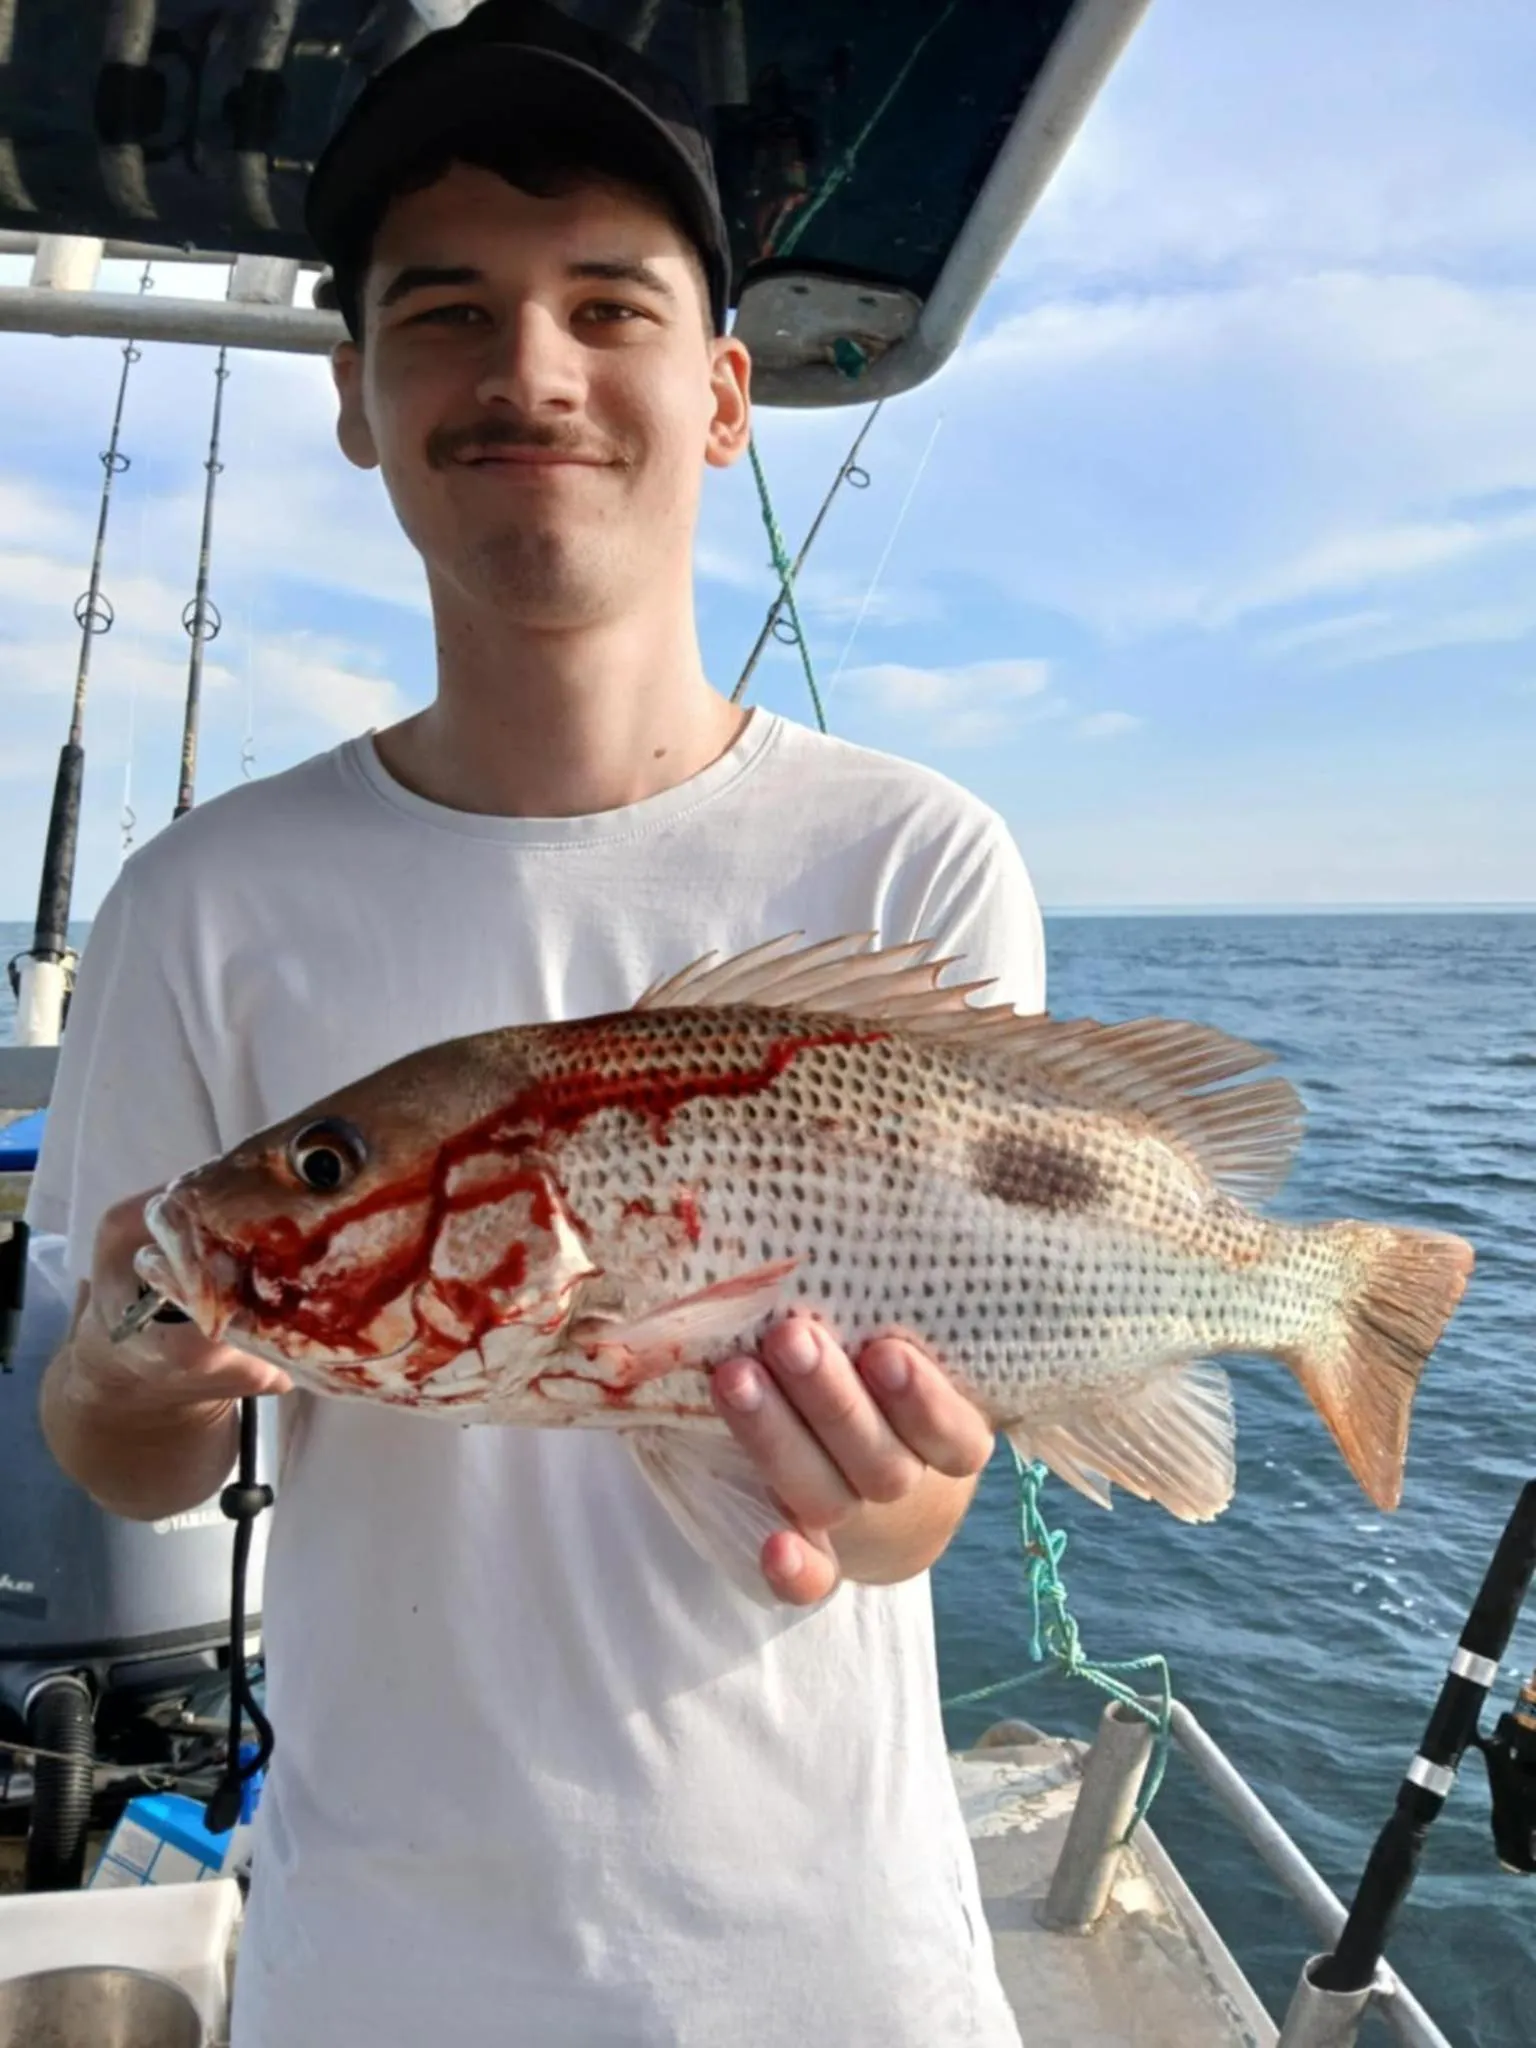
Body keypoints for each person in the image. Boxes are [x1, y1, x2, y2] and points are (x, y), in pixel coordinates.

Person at [30, 3, 1044, 2041]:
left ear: (728, 391)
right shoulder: (203, 904)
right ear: (355, 396)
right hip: (383, 1964)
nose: (530, 371)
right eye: (445, 312)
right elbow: (106, 1439)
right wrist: (144, 1382)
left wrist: (881, 1494)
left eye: (608, 303)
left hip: (835, 1971)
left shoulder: (917, 865)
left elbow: (929, 1493)